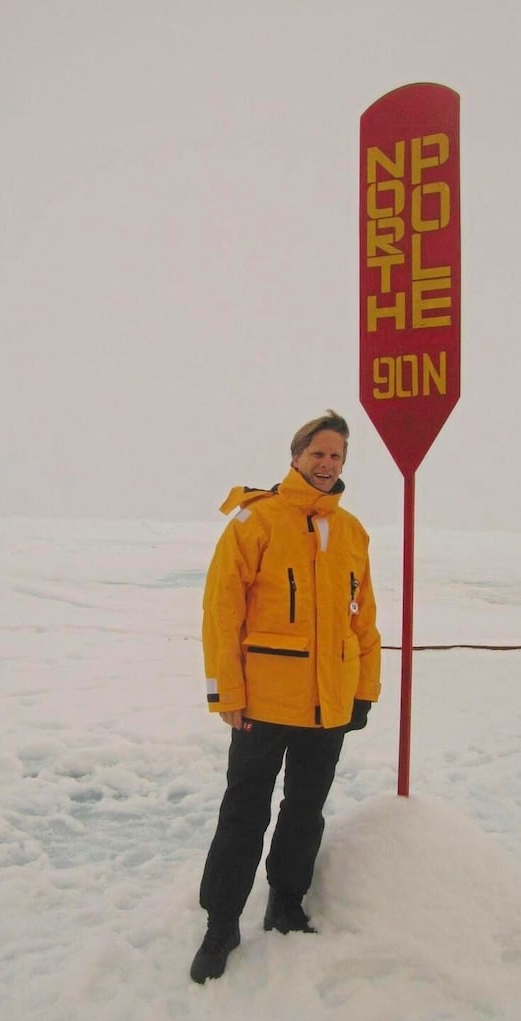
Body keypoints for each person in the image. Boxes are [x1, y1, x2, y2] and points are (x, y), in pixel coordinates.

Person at [190, 410, 381, 983]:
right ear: (295, 455)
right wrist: (227, 690)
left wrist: (363, 690)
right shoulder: (256, 521)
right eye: (318, 453)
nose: (327, 464)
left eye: (337, 456)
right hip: (263, 704)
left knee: (304, 810)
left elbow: (363, 619)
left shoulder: (351, 532)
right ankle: (221, 922)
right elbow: (221, 611)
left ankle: (285, 903)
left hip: (329, 702)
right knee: (244, 811)